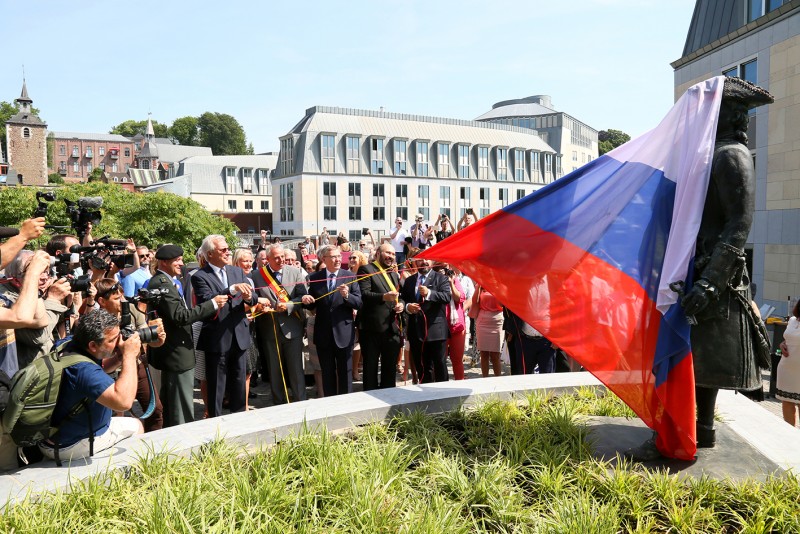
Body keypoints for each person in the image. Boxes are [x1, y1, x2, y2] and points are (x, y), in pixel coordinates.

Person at [627, 77, 774, 460]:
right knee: (695, 359)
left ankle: (691, 431)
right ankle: (696, 429)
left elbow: (739, 224)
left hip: (715, 278)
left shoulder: (731, 156)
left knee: (696, 360)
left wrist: (709, 282)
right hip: (698, 272)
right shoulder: (710, 155)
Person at [37, 309, 144, 462]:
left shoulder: (68, 344)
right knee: (136, 426)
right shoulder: (83, 370)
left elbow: (99, 370)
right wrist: (129, 355)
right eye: (113, 339)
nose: (120, 342)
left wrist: (119, 358)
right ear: (93, 345)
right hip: (69, 445)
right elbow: (123, 402)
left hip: (56, 435)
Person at [147, 244, 226, 426]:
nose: (181, 264)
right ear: (165, 262)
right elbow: (180, 316)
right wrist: (212, 304)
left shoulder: (169, 282)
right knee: (180, 406)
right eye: (178, 260)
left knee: (176, 401)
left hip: (177, 349)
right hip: (175, 352)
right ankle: (183, 438)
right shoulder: (161, 284)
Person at [190, 235, 256, 417]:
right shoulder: (200, 276)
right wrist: (231, 290)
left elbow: (253, 298)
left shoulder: (237, 271)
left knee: (239, 383)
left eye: (228, 249)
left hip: (240, 336)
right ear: (210, 254)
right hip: (217, 339)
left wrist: (248, 297)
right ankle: (215, 423)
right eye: (223, 250)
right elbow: (206, 301)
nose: (228, 252)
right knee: (216, 386)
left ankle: (239, 420)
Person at [95, 278, 166, 432]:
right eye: (116, 298)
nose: (122, 301)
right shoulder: (95, 320)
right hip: (110, 373)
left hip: (137, 366)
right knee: (114, 417)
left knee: (156, 410)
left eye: (122, 296)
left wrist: (158, 338)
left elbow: (149, 341)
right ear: (102, 301)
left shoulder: (132, 310)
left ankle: (154, 448)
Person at [251, 244, 308, 405]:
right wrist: (261, 306)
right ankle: (279, 403)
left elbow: (302, 297)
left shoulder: (295, 272)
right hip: (269, 329)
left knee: (296, 370)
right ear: (267, 259)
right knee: (275, 371)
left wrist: (289, 305)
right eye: (276, 257)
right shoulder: (257, 275)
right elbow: (253, 299)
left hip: (292, 328)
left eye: (282, 256)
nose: (281, 260)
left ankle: (300, 401)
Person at [302, 245, 362, 396]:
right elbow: (313, 304)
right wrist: (307, 300)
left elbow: (359, 303)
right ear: (324, 259)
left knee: (345, 373)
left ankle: (345, 404)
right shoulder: (315, 278)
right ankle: (330, 404)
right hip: (323, 334)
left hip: (344, 332)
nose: (337, 260)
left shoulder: (349, 276)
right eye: (333, 257)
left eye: (339, 256)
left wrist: (347, 296)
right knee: (327, 373)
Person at [357, 244, 404, 390]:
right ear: (378, 253)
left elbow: (399, 296)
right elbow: (364, 294)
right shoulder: (367, 269)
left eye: (393, 254)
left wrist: (401, 304)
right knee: (370, 368)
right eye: (387, 253)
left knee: (389, 369)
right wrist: (384, 297)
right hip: (371, 329)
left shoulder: (393, 274)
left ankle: (389, 399)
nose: (391, 256)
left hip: (391, 329)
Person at [0, 250, 52, 378]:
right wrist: (54, 300)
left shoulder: (40, 290)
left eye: (46, 271)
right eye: (36, 272)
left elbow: (42, 322)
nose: (45, 277)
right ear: (16, 280)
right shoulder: (7, 298)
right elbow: (40, 336)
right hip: (11, 377)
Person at [400, 253, 451, 383]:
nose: (424, 262)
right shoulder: (410, 281)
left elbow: (446, 297)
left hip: (436, 332)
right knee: (422, 367)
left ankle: (444, 396)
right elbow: (403, 299)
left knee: (440, 366)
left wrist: (429, 293)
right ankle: (426, 397)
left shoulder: (441, 279)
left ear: (432, 261)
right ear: (415, 263)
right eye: (420, 260)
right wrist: (407, 307)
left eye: (427, 259)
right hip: (416, 333)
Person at [435, 263, 466, 380]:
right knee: (440, 360)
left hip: (456, 325)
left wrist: (451, 283)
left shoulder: (454, 279)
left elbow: (460, 298)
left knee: (457, 359)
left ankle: (460, 385)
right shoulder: (433, 278)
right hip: (440, 325)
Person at [473, 285, 504, 377]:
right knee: (484, 353)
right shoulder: (481, 285)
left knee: (495, 354)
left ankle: (497, 380)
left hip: (497, 321)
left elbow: (502, 304)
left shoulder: (500, 286)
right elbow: (475, 301)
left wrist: (496, 289)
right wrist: (478, 287)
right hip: (483, 320)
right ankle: (485, 379)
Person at [348, 251, 369, 382]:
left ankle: (355, 368)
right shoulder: (346, 273)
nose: (351, 259)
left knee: (357, 342)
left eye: (354, 257)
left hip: (361, 310)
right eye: (350, 257)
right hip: (349, 309)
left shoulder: (364, 273)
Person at [778, 301, 800, 426]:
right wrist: (782, 344)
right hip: (786, 368)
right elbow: (788, 339)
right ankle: (790, 437)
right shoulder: (792, 320)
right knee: (787, 402)